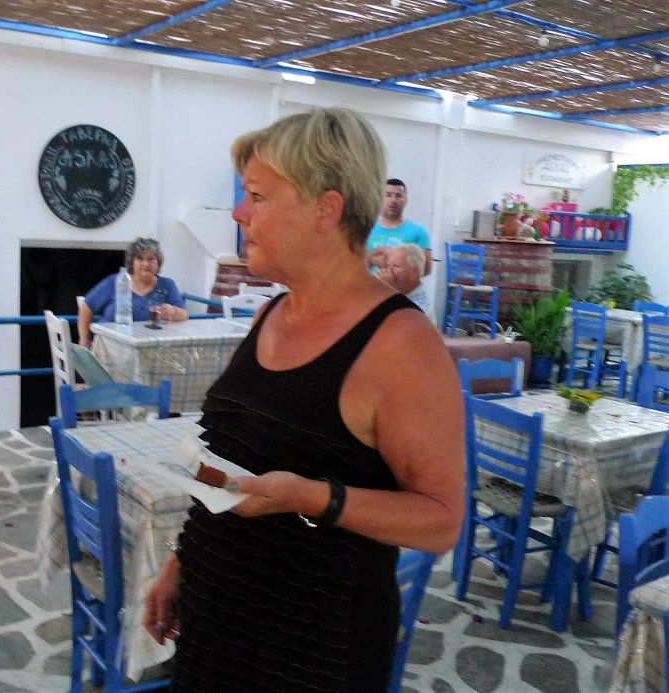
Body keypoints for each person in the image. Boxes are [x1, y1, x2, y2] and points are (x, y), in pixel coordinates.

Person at [143, 108, 464, 691]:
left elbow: (442, 520)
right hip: (217, 623)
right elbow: (227, 458)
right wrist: (180, 559)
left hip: (314, 646)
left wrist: (312, 496)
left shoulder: (400, 344)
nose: (238, 213)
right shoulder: (269, 313)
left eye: (256, 196)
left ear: (326, 209)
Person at [77, 237, 188, 348]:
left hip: (151, 346)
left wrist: (173, 311)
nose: (146, 264)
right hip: (110, 345)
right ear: (132, 262)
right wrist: (85, 339)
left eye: (151, 259)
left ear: (158, 263)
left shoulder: (167, 285)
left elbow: (184, 315)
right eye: (140, 259)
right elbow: (87, 307)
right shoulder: (115, 282)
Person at [366, 178, 432, 275]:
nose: (393, 200)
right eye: (388, 195)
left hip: (403, 285)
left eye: (398, 196)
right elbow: (353, 266)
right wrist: (372, 257)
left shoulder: (419, 231)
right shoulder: (366, 228)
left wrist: (395, 263)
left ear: (405, 200)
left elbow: (426, 269)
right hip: (369, 284)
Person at [377, 243, 435, 322]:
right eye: (388, 265)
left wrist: (387, 292)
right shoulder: (400, 295)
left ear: (413, 272)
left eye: (396, 265)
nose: (388, 270)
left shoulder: (421, 307)